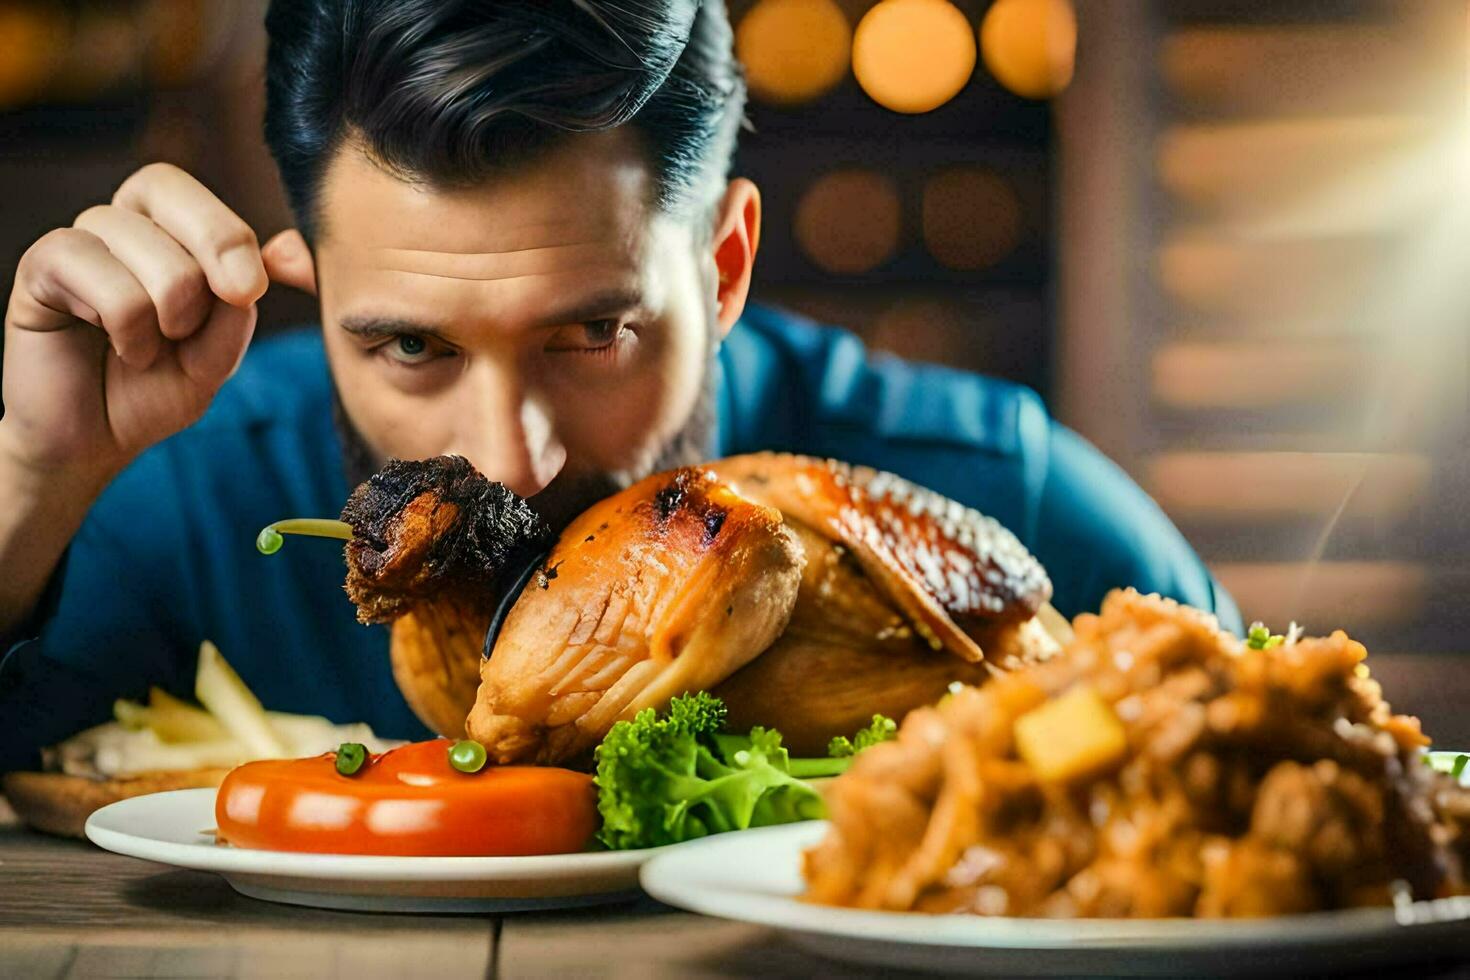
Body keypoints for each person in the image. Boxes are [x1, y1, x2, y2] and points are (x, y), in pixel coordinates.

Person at [0, 0, 1238, 773]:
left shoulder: (1005, 508)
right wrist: (30, 479)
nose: (512, 458)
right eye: (413, 348)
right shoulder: (171, 506)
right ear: (313, 290)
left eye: (593, 333)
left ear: (726, 264)